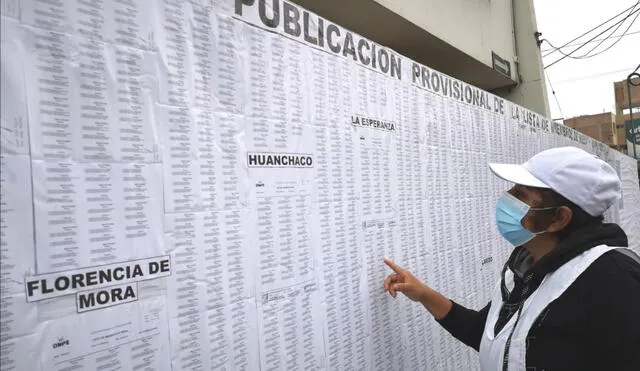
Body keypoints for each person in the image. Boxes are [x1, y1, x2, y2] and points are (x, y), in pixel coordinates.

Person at [383, 146, 640, 371]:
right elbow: (487, 335)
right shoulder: (524, 268)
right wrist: (423, 294)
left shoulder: (612, 278)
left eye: (520, 194)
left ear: (559, 218)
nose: (506, 197)